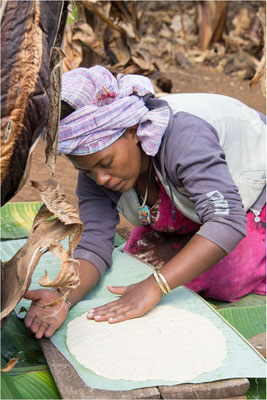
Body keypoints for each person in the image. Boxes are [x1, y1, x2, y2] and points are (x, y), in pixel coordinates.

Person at [24, 65, 266, 339]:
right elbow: (94, 245)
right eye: (88, 170)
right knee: (139, 261)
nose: (100, 178)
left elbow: (226, 221)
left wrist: (156, 285)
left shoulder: (185, 139)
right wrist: (62, 297)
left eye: (106, 163)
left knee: (224, 278)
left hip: (254, 191)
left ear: (132, 130)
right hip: (206, 200)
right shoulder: (95, 173)